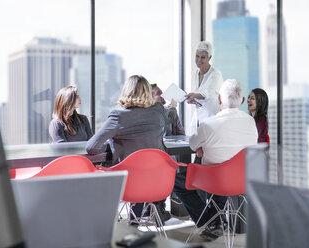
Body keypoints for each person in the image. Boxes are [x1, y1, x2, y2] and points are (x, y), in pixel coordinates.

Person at [173, 79, 258, 241]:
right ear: (241, 101)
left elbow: (192, 145)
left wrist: (202, 147)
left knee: (176, 180)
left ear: (219, 99)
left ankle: (211, 219)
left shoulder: (208, 124)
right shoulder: (250, 122)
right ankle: (216, 220)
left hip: (215, 181)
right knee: (222, 165)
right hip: (243, 180)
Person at [85, 75, 170, 223]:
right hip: (156, 181)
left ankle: (122, 225)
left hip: (127, 183)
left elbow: (92, 147)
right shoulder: (158, 110)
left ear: (126, 91)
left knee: (130, 173)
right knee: (141, 172)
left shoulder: (119, 115)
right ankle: (134, 223)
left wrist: (113, 146)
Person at [186, 41, 223, 128]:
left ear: (209, 58)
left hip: (211, 119)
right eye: (197, 56)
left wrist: (194, 95)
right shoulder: (197, 73)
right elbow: (199, 95)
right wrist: (193, 99)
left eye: (202, 57)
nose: (199, 60)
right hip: (199, 118)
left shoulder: (215, 74)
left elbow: (208, 94)